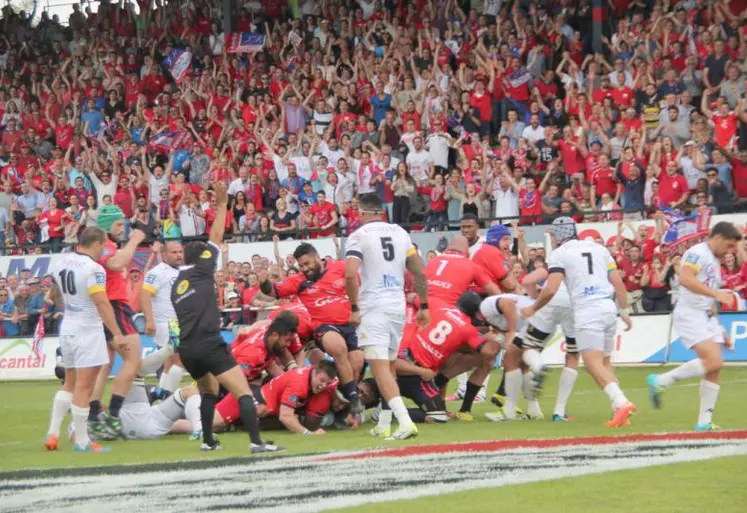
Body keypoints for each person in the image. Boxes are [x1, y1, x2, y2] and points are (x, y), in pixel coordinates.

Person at [171, 182, 281, 454]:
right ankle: (257, 443)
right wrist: (222, 206)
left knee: (208, 391)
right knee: (242, 391)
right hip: (209, 342)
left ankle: (208, 441)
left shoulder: (178, 284)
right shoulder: (201, 271)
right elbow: (216, 237)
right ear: (203, 260)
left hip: (187, 348)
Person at [520, 217, 636, 428]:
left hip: (587, 310)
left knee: (592, 364)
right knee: (606, 363)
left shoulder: (559, 254)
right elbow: (617, 280)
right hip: (608, 308)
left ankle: (621, 402)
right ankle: (620, 414)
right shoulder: (598, 248)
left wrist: (533, 307)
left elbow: (552, 288)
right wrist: (625, 311)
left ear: (556, 236)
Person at [344, 193, 429, 440]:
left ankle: (405, 423)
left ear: (361, 211)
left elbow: (350, 274)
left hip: (374, 306)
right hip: (397, 306)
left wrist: (353, 308)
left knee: (379, 367)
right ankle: (384, 422)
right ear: (381, 211)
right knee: (389, 366)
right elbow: (420, 272)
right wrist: (424, 305)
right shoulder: (400, 233)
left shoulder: (358, 236)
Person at [647, 222, 742, 430]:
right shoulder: (697, 252)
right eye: (728, 246)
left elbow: (709, 297)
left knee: (715, 369)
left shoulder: (715, 261)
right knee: (713, 360)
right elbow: (685, 279)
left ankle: (704, 423)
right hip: (690, 314)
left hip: (706, 315)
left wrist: (721, 329)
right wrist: (717, 294)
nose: (729, 252)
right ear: (718, 238)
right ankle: (662, 380)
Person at [258, 243, 365, 414]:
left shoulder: (340, 267)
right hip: (324, 327)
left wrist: (356, 309)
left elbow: (357, 287)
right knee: (338, 348)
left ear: (317, 257)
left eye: (307, 264)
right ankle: (353, 398)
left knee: (357, 364)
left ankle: (340, 398)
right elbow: (273, 292)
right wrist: (263, 282)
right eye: (301, 266)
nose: (305, 269)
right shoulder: (299, 281)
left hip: (350, 324)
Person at [44, 227, 124, 453]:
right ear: (98, 243)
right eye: (105, 245)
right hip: (88, 330)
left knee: (69, 383)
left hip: (68, 326)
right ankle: (82, 441)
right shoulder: (94, 269)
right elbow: (101, 302)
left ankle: (52, 432)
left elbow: (56, 292)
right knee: (84, 387)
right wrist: (116, 332)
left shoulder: (63, 261)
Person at [87, 205, 148, 440]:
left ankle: (93, 416)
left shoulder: (104, 246)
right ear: (106, 225)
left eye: (123, 224)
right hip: (114, 306)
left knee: (105, 363)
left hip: (105, 307)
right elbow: (115, 263)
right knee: (133, 360)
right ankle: (112, 415)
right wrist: (134, 240)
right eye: (118, 224)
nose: (122, 229)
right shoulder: (106, 245)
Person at [395, 292, 500, 422]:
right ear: (474, 311)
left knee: (382, 384)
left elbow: (412, 297)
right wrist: (501, 333)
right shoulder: (468, 330)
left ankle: (387, 410)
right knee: (438, 416)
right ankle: (394, 412)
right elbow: (489, 352)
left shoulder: (438, 304)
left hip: (406, 358)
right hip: (418, 373)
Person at [520, 267, 579, 422]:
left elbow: (527, 281)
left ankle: (538, 366)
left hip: (550, 299)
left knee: (529, 347)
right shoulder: (592, 257)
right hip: (574, 303)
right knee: (572, 356)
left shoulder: (557, 258)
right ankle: (559, 412)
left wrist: (535, 295)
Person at [480, 292, 547, 421]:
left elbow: (507, 304)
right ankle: (534, 412)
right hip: (544, 323)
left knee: (510, 361)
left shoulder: (485, 306)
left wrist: (511, 331)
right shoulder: (497, 311)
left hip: (532, 323)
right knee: (522, 366)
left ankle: (508, 412)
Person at [141, 240, 185, 399]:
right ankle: (169, 397)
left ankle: (160, 395)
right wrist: (149, 320)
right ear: (165, 254)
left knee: (169, 363)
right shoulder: (157, 272)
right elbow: (145, 294)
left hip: (177, 322)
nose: (179, 255)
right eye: (174, 252)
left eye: (180, 251)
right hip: (167, 323)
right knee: (180, 361)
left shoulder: (180, 271)